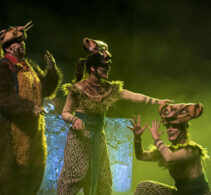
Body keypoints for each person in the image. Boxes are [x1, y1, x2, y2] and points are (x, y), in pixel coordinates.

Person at [57, 37, 173, 195]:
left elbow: (131, 95)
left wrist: (157, 101)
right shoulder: (78, 89)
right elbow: (65, 112)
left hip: (98, 138)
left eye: (108, 66)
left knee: (102, 179)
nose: (107, 69)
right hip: (79, 139)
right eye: (104, 66)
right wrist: (74, 119)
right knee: (74, 176)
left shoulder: (108, 89)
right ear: (92, 68)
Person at [0, 22, 62, 195]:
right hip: (12, 131)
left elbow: (46, 90)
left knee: (34, 173)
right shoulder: (4, 67)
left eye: (23, 42)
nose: (22, 45)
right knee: (11, 179)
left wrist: (51, 71)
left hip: (34, 131)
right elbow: (3, 98)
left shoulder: (30, 67)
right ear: (8, 48)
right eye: (17, 42)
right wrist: (27, 107)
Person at [130, 103, 211, 195]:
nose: (169, 129)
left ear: (184, 129)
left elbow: (170, 158)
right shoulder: (167, 150)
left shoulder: (192, 150)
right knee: (143, 187)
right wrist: (137, 138)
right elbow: (141, 156)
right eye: (168, 127)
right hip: (180, 193)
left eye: (174, 126)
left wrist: (157, 139)